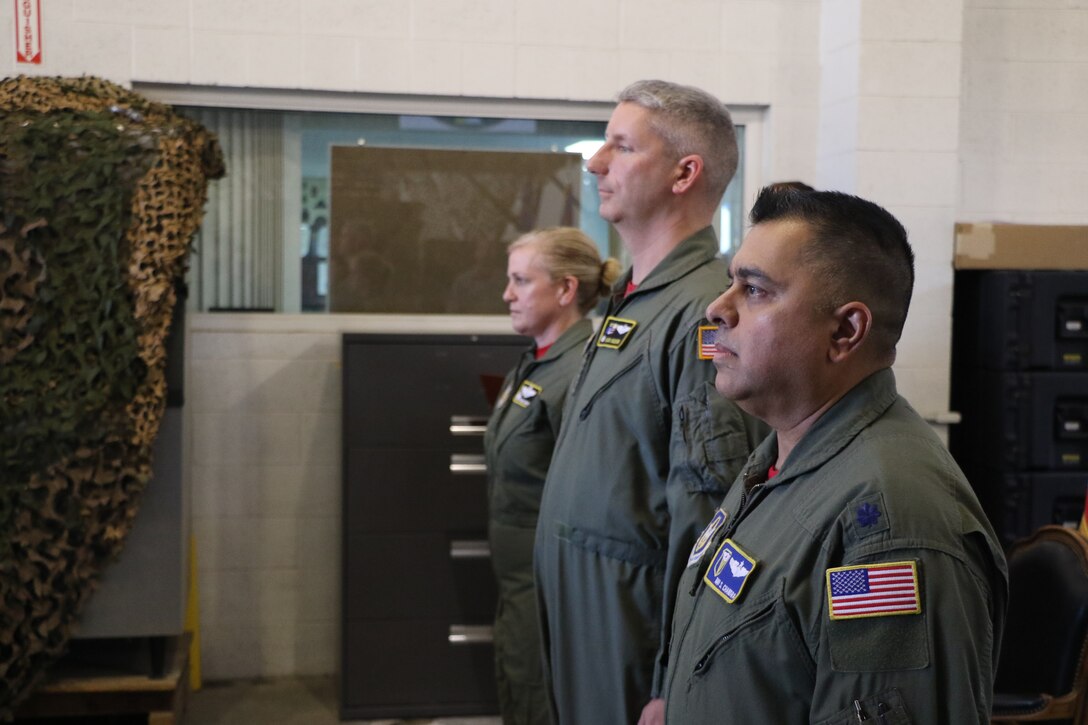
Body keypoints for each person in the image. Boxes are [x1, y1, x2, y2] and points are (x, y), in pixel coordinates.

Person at [663, 185, 1009, 723]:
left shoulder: (888, 526)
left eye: (754, 290)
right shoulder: (781, 459)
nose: (717, 308)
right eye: (732, 282)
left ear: (845, 330)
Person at [532, 80, 768, 725]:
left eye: (621, 146)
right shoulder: (639, 299)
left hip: (635, 636)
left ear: (683, 173)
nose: (594, 162)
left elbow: (712, 514)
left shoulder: (702, 310)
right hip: (591, 610)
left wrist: (674, 676)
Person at [484, 227, 620, 725]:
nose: (508, 294)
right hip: (518, 581)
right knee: (517, 686)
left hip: (552, 586)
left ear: (565, 289)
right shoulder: (537, 362)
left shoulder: (579, 373)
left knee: (540, 699)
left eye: (521, 281)